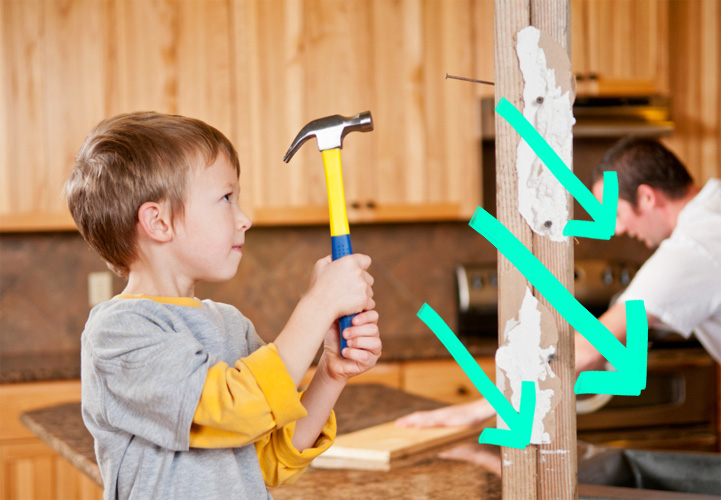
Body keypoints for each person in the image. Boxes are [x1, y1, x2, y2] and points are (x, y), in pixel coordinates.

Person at [65, 111, 381, 500]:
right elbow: (232, 410)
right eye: (226, 198)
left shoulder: (231, 325)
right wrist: (317, 306)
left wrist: (331, 373)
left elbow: (271, 459)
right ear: (159, 222)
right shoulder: (119, 333)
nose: (244, 218)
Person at [397, 137, 721, 436]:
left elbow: (592, 348)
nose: (618, 230)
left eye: (615, 214)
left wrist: (477, 411)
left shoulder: (693, 249)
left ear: (647, 197)